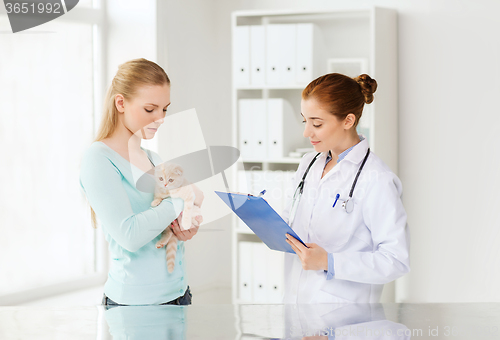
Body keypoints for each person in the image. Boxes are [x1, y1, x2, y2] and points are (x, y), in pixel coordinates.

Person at [79, 58, 204, 306]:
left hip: (178, 295)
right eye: (150, 109)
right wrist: (183, 198)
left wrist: (184, 228)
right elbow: (130, 235)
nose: (161, 118)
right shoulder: (98, 158)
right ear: (121, 103)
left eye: (165, 109)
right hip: (136, 305)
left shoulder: (152, 158)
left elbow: (162, 219)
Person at [282, 73, 410, 303]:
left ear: (348, 121)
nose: (306, 132)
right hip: (297, 307)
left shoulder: (377, 179)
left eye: (317, 123)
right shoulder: (309, 163)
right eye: (305, 121)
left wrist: (328, 262)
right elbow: (291, 216)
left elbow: (395, 260)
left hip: (346, 319)